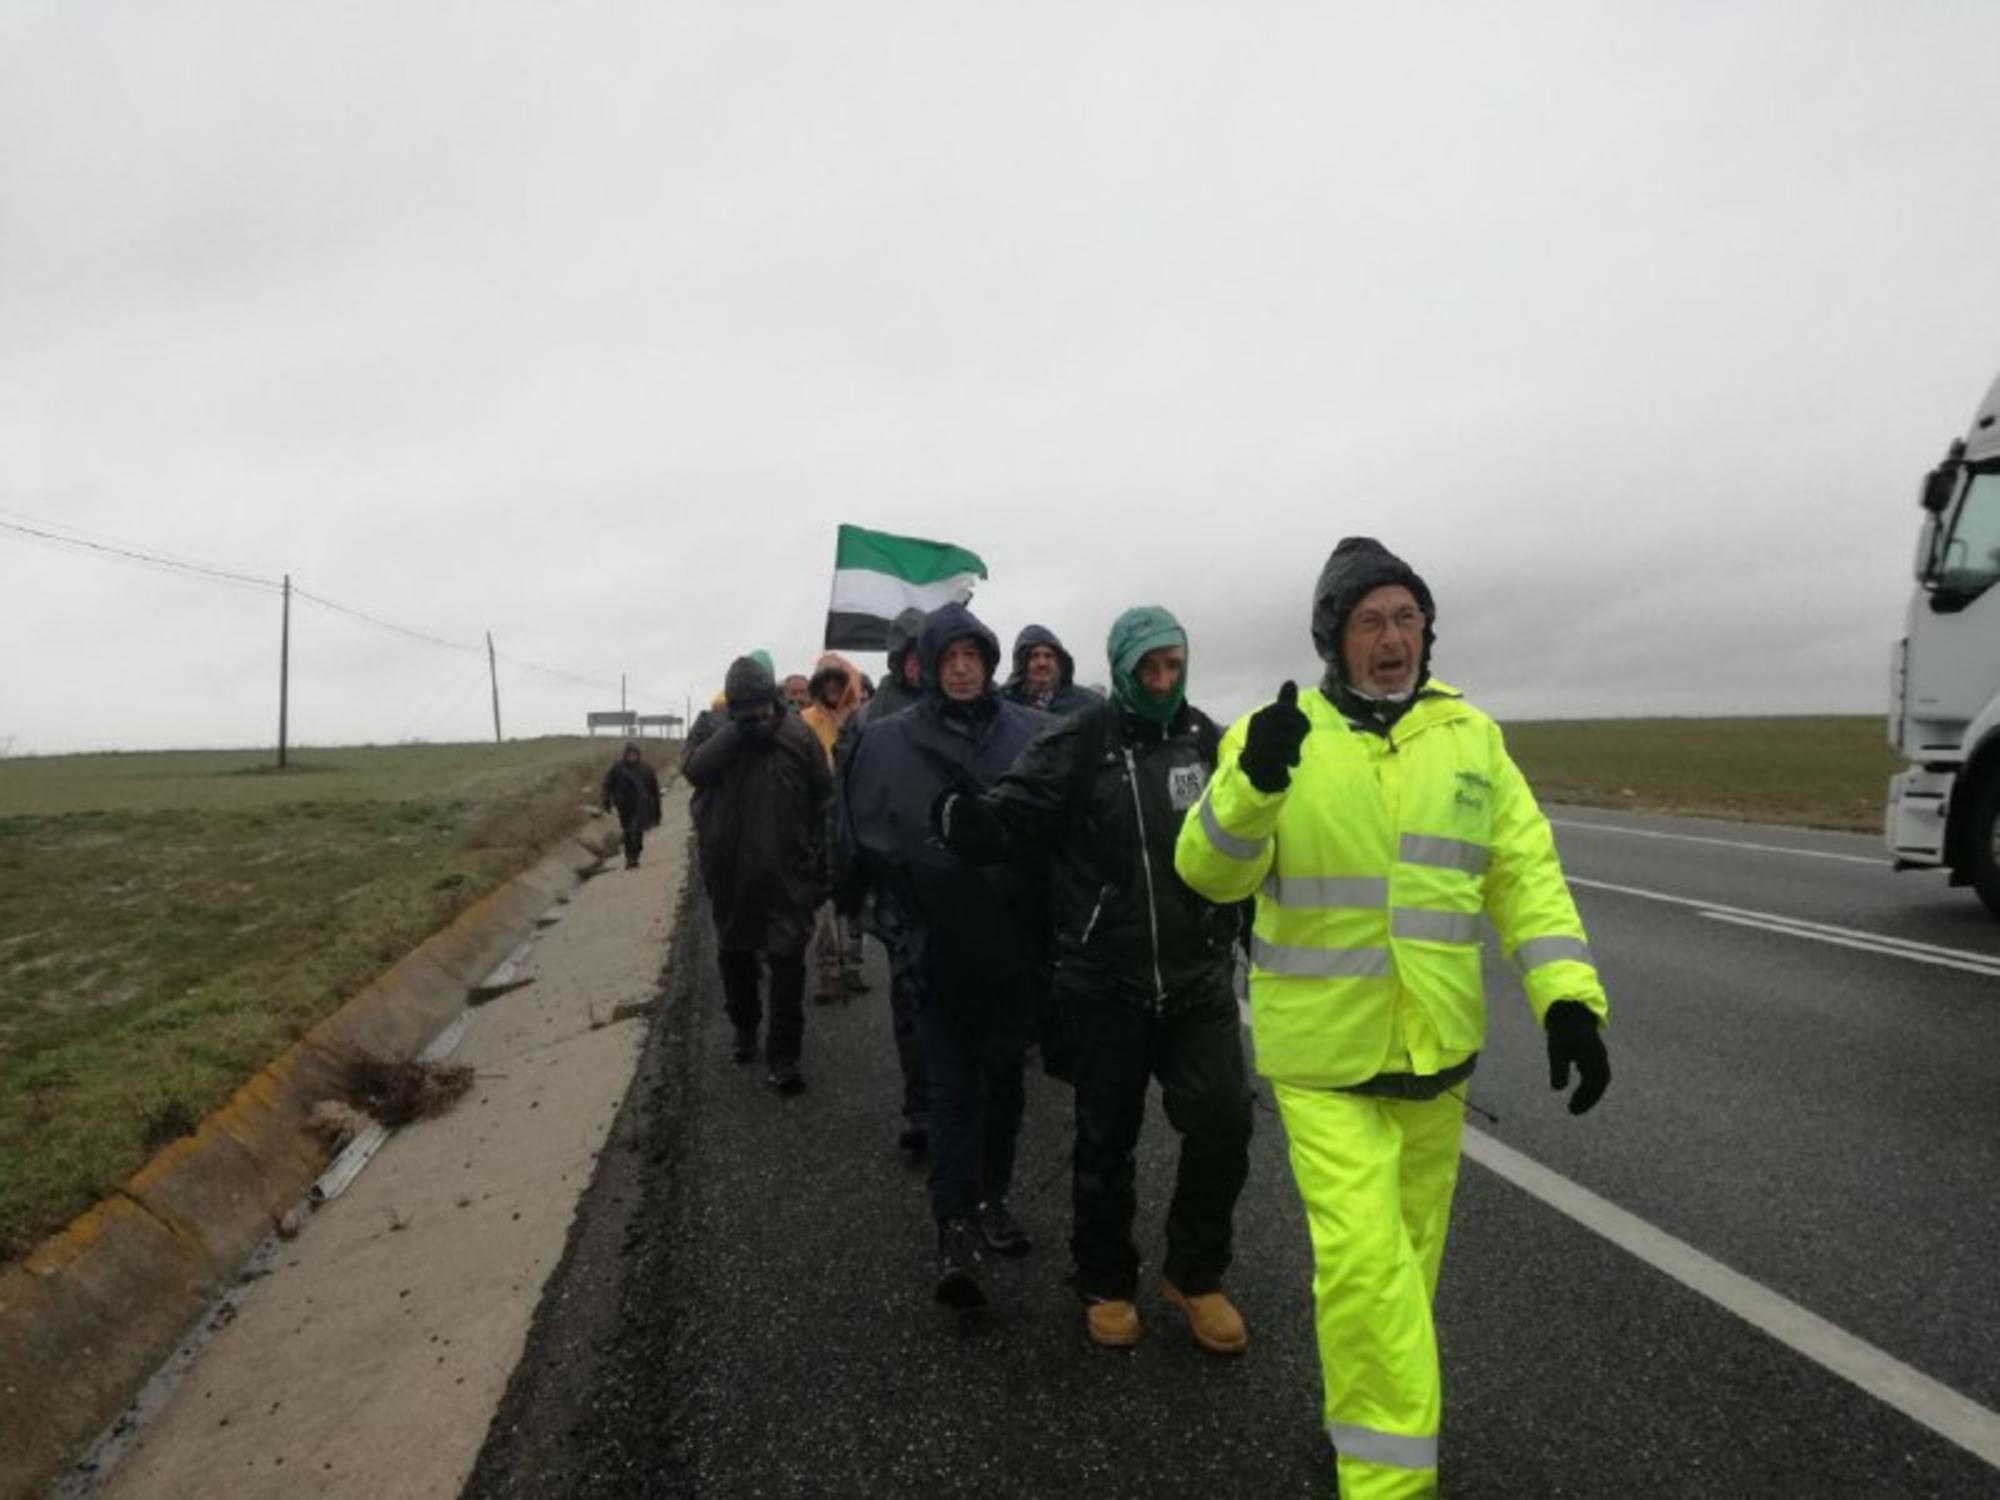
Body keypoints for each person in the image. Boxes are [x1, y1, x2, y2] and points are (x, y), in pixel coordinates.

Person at [1175, 537, 1611, 1499]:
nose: (1392, 637)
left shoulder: (1470, 739)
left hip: (1436, 1061)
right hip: (1325, 1065)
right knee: (1372, 1276)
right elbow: (1205, 871)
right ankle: (1386, 1485)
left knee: (1399, 1277)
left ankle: (1356, 1425)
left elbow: (1524, 876)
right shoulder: (1273, 734)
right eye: (1370, 619)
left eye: (1407, 617)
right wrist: (1253, 789)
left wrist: (1569, 1001)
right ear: (1334, 637)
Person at [934, 607, 1254, 1355]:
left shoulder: (1206, 740)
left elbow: (1248, 837)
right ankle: (1106, 1281)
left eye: (1174, 665)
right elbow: (1014, 812)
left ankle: (1196, 1274)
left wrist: (1249, 919)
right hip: (1104, 981)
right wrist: (970, 821)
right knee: (1106, 1141)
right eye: (1149, 667)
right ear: (1120, 669)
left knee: (1225, 1125)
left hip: (1198, 981)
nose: (1164, 681)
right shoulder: (1079, 743)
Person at [842, 602, 1048, 1307]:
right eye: (949, 657)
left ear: (990, 662)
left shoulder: (1033, 734)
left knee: (1007, 1091)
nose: (962, 668)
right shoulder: (888, 741)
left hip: (1014, 958)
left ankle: (993, 1199)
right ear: (927, 666)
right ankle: (953, 1225)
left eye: (973, 656)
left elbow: (1063, 840)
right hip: (934, 957)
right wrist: (899, 933)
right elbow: (860, 846)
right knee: (952, 1095)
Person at [681, 654, 833, 1096]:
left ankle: (785, 1057)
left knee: (788, 960)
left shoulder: (797, 734)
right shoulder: (713, 728)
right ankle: (744, 1027)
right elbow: (695, 770)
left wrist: (823, 864)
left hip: (789, 871)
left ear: (773, 696)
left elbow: (824, 798)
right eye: (742, 703)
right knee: (735, 955)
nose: (753, 711)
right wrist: (738, 731)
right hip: (728, 872)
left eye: (759, 703)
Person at [834, 607, 930, 1156]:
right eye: (911, 654)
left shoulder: (964, 707)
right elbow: (844, 809)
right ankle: (921, 1111)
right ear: (897, 659)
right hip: (899, 895)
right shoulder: (866, 721)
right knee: (911, 1005)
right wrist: (848, 886)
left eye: (928, 652)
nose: (921, 664)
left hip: (958, 891)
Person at [800, 652, 868, 1003]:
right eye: (825, 680)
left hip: (854, 814)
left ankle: (854, 965)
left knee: (854, 894)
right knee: (822, 899)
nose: (831, 686)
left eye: (837, 680)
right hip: (818, 818)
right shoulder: (805, 721)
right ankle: (829, 973)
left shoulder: (860, 718)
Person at [1000, 625, 1101, 716]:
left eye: (1048, 656)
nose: (1042, 663)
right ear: (1022, 664)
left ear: (1059, 663)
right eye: (1034, 656)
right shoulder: (1002, 707)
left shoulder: (1086, 706)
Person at [600, 740, 663, 869]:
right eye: (629, 754)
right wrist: (606, 801)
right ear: (625, 754)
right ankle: (630, 857)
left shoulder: (646, 768)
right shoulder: (617, 768)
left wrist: (657, 813)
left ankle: (635, 855)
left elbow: (654, 791)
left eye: (633, 754)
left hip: (641, 806)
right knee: (628, 832)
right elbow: (607, 784)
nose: (631, 756)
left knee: (637, 831)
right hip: (624, 806)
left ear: (638, 754)